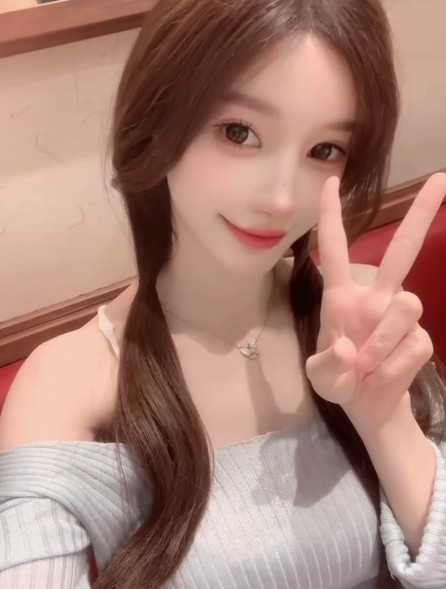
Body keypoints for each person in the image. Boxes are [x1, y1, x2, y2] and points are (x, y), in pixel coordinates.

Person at [1, 0, 446, 587]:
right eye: (240, 132)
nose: (281, 199)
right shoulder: (72, 381)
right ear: (156, 121)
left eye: (324, 150)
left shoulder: (359, 314)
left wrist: (385, 420)